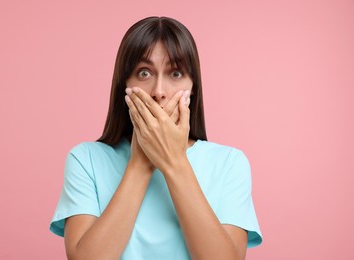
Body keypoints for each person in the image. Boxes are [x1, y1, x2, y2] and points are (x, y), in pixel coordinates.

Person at [50, 16, 262, 259]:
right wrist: (140, 163)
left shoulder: (230, 164)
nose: (159, 92)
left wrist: (174, 162)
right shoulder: (85, 159)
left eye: (175, 73)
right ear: (124, 85)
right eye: (144, 73)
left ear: (193, 87)